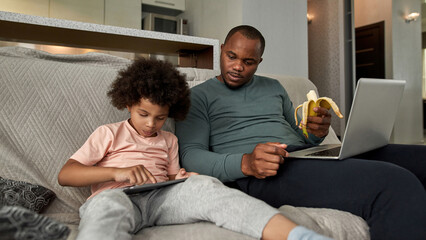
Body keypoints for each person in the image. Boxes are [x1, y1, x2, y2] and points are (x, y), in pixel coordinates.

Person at [175, 25, 426, 240]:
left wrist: (316, 133)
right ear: (221, 50)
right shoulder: (198, 97)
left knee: (420, 159)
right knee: (394, 183)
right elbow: (191, 155)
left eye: (248, 61)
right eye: (231, 56)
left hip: (306, 154)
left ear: (259, 62)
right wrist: (246, 163)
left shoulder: (273, 86)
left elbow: (297, 132)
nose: (238, 66)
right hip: (266, 171)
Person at [57, 58, 333, 240]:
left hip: (161, 199)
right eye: (143, 114)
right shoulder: (109, 133)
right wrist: (118, 173)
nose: (151, 124)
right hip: (118, 195)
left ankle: (299, 236)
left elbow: (176, 175)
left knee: (206, 186)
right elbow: (66, 175)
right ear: (128, 103)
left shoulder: (169, 140)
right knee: (106, 207)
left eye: (160, 117)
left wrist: (184, 178)